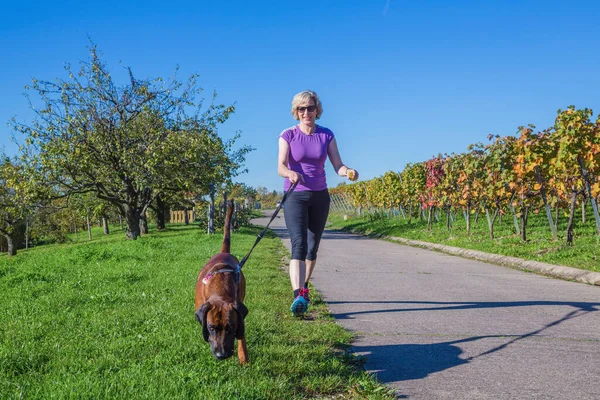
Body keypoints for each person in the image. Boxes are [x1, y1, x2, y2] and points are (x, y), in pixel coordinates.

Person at [277, 90, 359, 316]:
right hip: (295, 194)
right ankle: (298, 295)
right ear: (296, 112)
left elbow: (338, 165)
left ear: (317, 110)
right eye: (301, 109)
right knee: (298, 245)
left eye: (310, 108)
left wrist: (348, 171)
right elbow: (281, 166)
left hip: (320, 195)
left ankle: (304, 288)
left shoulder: (326, 135)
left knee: (312, 249)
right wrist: (290, 174)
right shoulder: (288, 135)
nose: (306, 112)